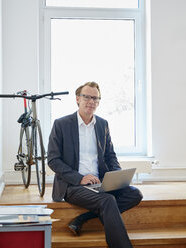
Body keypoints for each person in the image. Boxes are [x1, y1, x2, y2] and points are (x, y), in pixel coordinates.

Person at [47, 82, 143, 248]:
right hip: (73, 185)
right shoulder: (61, 124)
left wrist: (117, 176)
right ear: (78, 99)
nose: (91, 101)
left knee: (135, 194)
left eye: (96, 98)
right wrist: (80, 178)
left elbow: (110, 155)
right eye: (87, 97)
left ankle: (84, 218)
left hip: (100, 181)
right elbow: (53, 160)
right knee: (108, 201)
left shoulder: (102, 124)